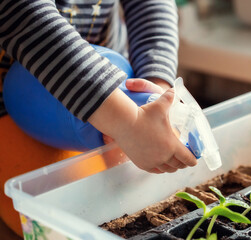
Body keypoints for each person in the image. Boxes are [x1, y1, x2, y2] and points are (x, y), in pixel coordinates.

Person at [0, 0, 197, 236]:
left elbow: (151, 5)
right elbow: (26, 19)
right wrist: (127, 122)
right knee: (52, 221)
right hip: (17, 101)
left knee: (129, 198)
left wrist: (155, 88)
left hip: (112, 80)